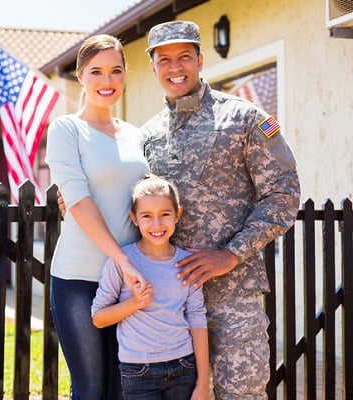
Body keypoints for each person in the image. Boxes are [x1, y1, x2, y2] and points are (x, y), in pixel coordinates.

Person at [141, 21, 301, 400]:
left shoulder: (244, 119)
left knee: (242, 395)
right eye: (164, 59)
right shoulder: (147, 135)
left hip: (234, 298)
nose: (175, 67)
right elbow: (137, 204)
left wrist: (231, 254)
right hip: (171, 300)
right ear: (153, 68)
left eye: (184, 57)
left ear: (200, 60)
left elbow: (284, 194)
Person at [45, 34, 151, 400]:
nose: (107, 81)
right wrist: (122, 259)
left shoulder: (136, 136)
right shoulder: (66, 130)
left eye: (115, 71)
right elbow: (77, 200)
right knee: (90, 390)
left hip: (128, 282)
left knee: (125, 389)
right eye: (97, 72)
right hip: (78, 279)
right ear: (80, 76)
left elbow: (144, 199)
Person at [92, 174, 210, 400]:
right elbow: (98, 318)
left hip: (184, 367)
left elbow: (197, 319)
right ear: (134, 218)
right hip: (138, 371)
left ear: (178, 214)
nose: (157, 224)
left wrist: (203, 383)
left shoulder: (187, 263)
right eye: (147, 216)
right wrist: (134, 304)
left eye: (165, 214)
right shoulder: (123, 263)